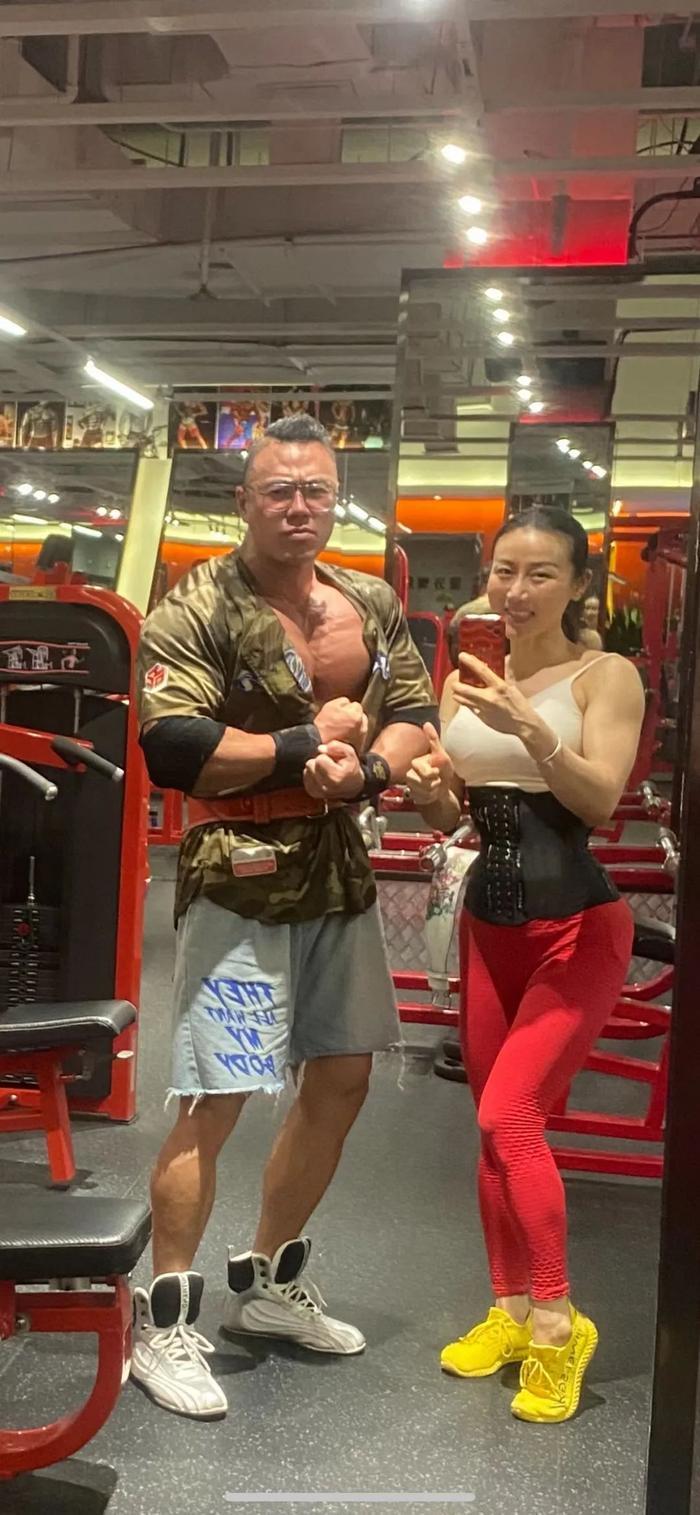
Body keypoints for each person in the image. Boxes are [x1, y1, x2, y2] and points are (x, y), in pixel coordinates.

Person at [132, 414, 437, 1420]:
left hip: (337, 868)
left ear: (334, 499)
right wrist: (303, 742)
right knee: (217, 1097)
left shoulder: (367, 599)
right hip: (240, 869)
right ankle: (163, 1321)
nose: (299, 507)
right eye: (279, 490)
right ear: (245, 502)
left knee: (342, 1079)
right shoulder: (198, 604)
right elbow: (174, 746)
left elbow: (416, 712)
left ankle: (265, 1284)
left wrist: (368, 770)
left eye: (315, 491)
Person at [405, 505, 644, 1426]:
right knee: (494, 1132)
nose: (517, 589)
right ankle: (507, 1310)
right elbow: (453, 815)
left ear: (579, 584)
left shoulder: (605, 675)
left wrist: (530, 726)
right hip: (489, 926)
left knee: (510, 1115)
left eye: (541, 573)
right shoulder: (463, 680)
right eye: (505, 570)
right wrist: (433, 793)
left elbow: (601, 799)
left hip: (577, 928)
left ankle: (556, 1323)